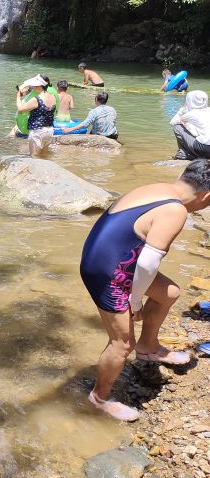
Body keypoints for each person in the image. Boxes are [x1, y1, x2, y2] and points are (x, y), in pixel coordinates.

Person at [79, 161, 210, 421]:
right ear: (207, 195)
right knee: (121, 344)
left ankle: (149, 347)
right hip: (108, 272)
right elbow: (148, 263)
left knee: (169, 293)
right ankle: (99, 397)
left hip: (106, 259)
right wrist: (135, 301)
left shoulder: (159, 189)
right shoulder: (175, 211)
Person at [16, 75, 56, 155]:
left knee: (34, 158)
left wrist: (18, 98)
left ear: (39, 86)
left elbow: (20, 110)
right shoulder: (53, 97)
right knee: (44, 156)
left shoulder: (36, 99)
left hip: (37, 131)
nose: (33, 87)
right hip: (49, 130)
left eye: (34, 85)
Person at [170, 90, 210, 160]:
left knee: (177, 126)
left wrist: (182, 108)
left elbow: (172, 122)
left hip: (204, 150)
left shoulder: (190, 114)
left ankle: (183, 153)